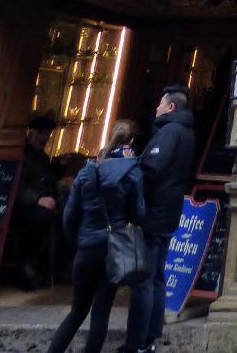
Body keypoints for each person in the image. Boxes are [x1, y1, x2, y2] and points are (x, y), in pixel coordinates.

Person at [46, 121, 144, 353]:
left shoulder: (86, 172)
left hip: (86, 249)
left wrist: (79, 241)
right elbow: (139, 214)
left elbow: (69, 216)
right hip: (113, 249)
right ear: (130, 143)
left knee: (77, 311)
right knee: (101, 312)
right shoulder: (132, 174)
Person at [125, 86, 196, 353]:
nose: (156, 107)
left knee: (144, 278)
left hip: (155, 212)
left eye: (160, 103)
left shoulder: (170, 133)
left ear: (171, 107)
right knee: (156, 276)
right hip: (169, 212)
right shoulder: (186, 132)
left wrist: (133, 167)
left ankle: (137, 343)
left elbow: (152, 169)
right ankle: (151, 336)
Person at [11, 112, 59, 288]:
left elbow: (49, 181)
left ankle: (56, 267)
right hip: (21, 207)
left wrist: (60, 167)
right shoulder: (21, 155)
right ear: (31, 133)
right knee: (41, 218)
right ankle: (27, 261)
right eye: (41, 133)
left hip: (43, 206)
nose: (45, 138)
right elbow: (16, 186)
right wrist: (38, 199)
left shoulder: (43, 159)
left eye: (47, 134)